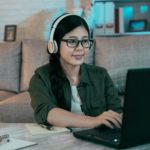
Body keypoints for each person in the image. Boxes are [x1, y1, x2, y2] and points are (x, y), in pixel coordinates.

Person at [29, 13, 122, 129]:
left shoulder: (101, 75)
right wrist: (94, 121)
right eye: (72, 42)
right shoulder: (40, 78)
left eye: (85, 41)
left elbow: (117, 112)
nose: (80, 48)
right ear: (55, 45)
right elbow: (46, 112)